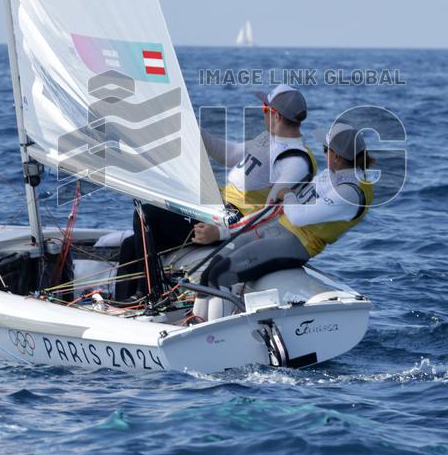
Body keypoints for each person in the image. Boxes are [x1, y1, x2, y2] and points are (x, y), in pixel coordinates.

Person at [113, 84, 317, 300]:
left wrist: (220, 232)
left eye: (264, 109)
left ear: (273, 114)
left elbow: (271, 215)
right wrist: (193, 129)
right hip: (214, 209)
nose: (262, 113)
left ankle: (151, 295)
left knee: (146, 215)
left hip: (230, 222)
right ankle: (123, 306)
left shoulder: (295, 161)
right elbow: (228, 154)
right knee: (130, 245)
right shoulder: (267, 140)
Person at [192, 123, 375, 321]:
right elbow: (284, 209)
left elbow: (298, 216)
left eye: (326, 149)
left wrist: (288, 196)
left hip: (296, 244)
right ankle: (195, 321)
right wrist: (223, 231)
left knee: (221, 276)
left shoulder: (350, 193)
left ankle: (214, 337)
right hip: (275, 228)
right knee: (210, 270)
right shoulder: (331, 175)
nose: (324, 154)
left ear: (337, 157)